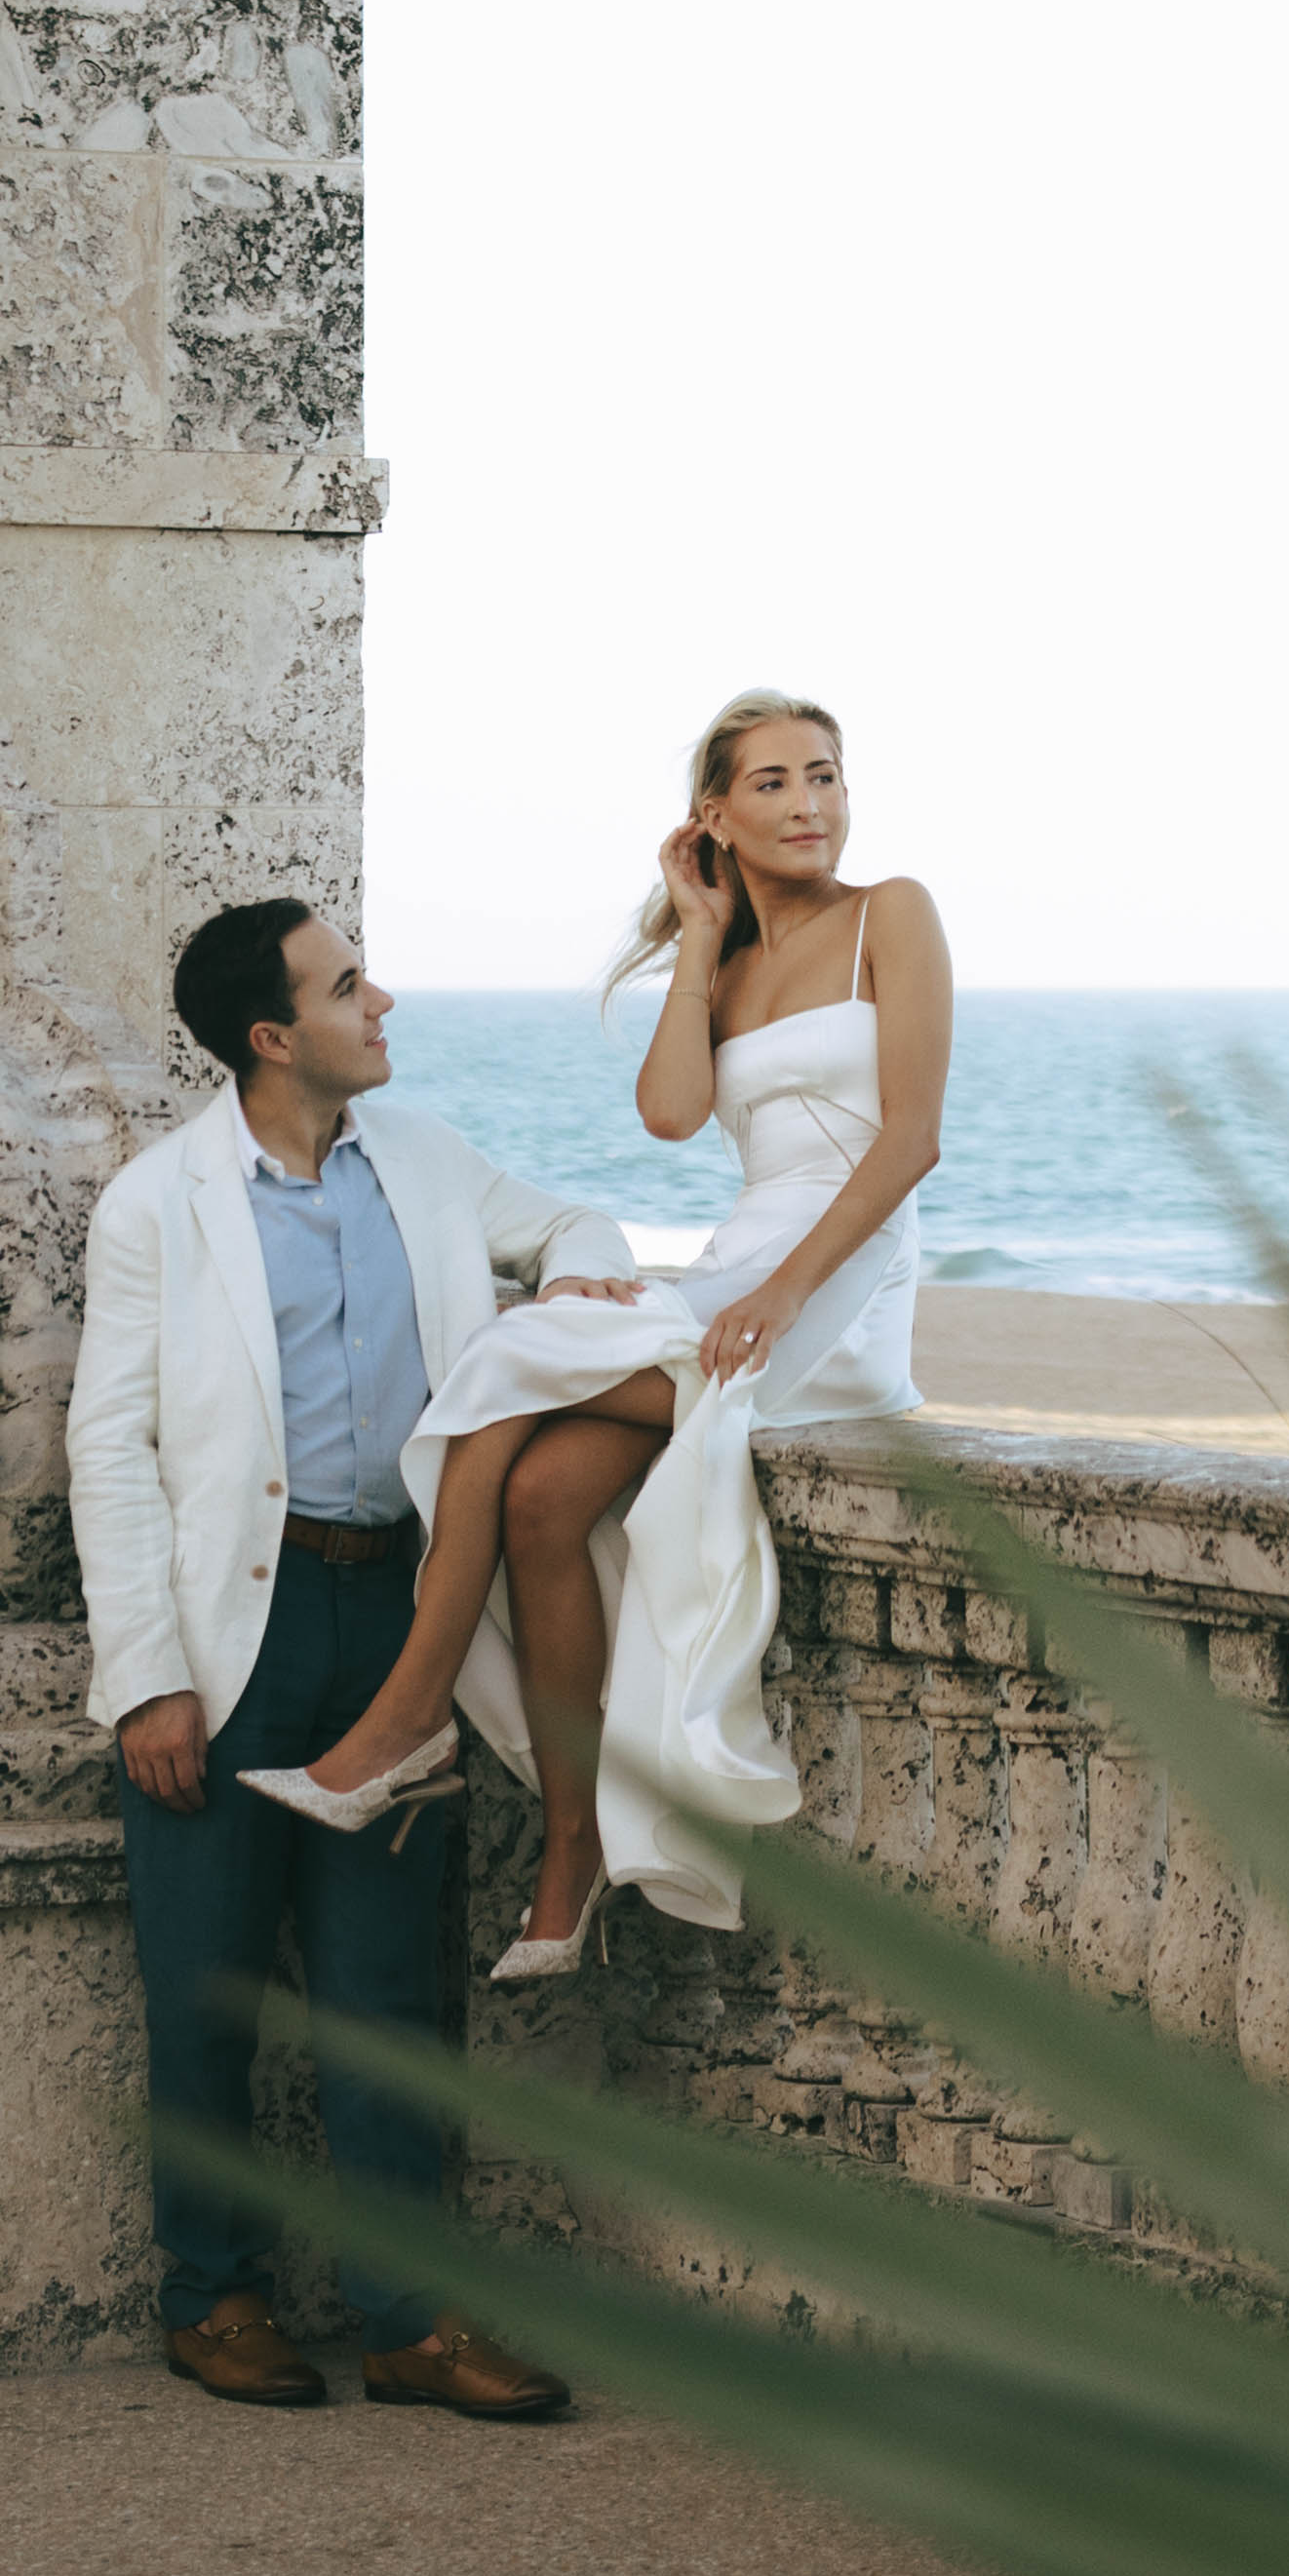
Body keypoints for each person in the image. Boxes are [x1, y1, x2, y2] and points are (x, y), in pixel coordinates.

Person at [246, 689, 946, 1977]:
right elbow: (674, 1114)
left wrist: (784, 1293)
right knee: (546, 1494)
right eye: (777, 783)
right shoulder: (723, 950)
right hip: (741, 1256)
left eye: (828, 776)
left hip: (839, 1277)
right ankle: (570, 1861)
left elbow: (910, 1140)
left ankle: (409, 1716)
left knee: (504, 1363)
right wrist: (697, 931)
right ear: (715, 815)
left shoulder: (889, 913)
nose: (812, 805)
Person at [72, 891, 645, 2418]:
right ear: (273, 1036)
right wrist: (146, 1673)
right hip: (231, 1637)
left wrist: (580, 1278)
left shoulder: (426, 1158)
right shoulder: (157, 1203)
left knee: (387, 1991)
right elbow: (109, 1446)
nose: (380, 999)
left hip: (399, 1618)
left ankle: (412, 2319)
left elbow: (568, 1219)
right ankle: (216, 2296)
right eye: (346, 984)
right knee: (206, 1991)